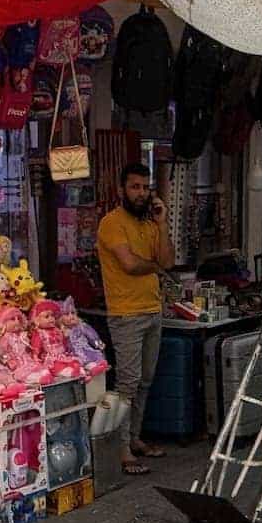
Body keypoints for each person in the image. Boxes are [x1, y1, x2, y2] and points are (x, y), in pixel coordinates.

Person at [96, 162, 172, 475]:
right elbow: (129, 264)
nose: (140, 193)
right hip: (126, 313)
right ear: (122, 190)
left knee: (145, 381)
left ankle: (135, 438)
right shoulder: (112, 223)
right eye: (134, 187)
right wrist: (154, 266)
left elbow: (167, 259)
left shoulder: (150, 223)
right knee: (126, 383)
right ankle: (121, 448)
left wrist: (163, 223)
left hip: (152, 310)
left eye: (144, 187)